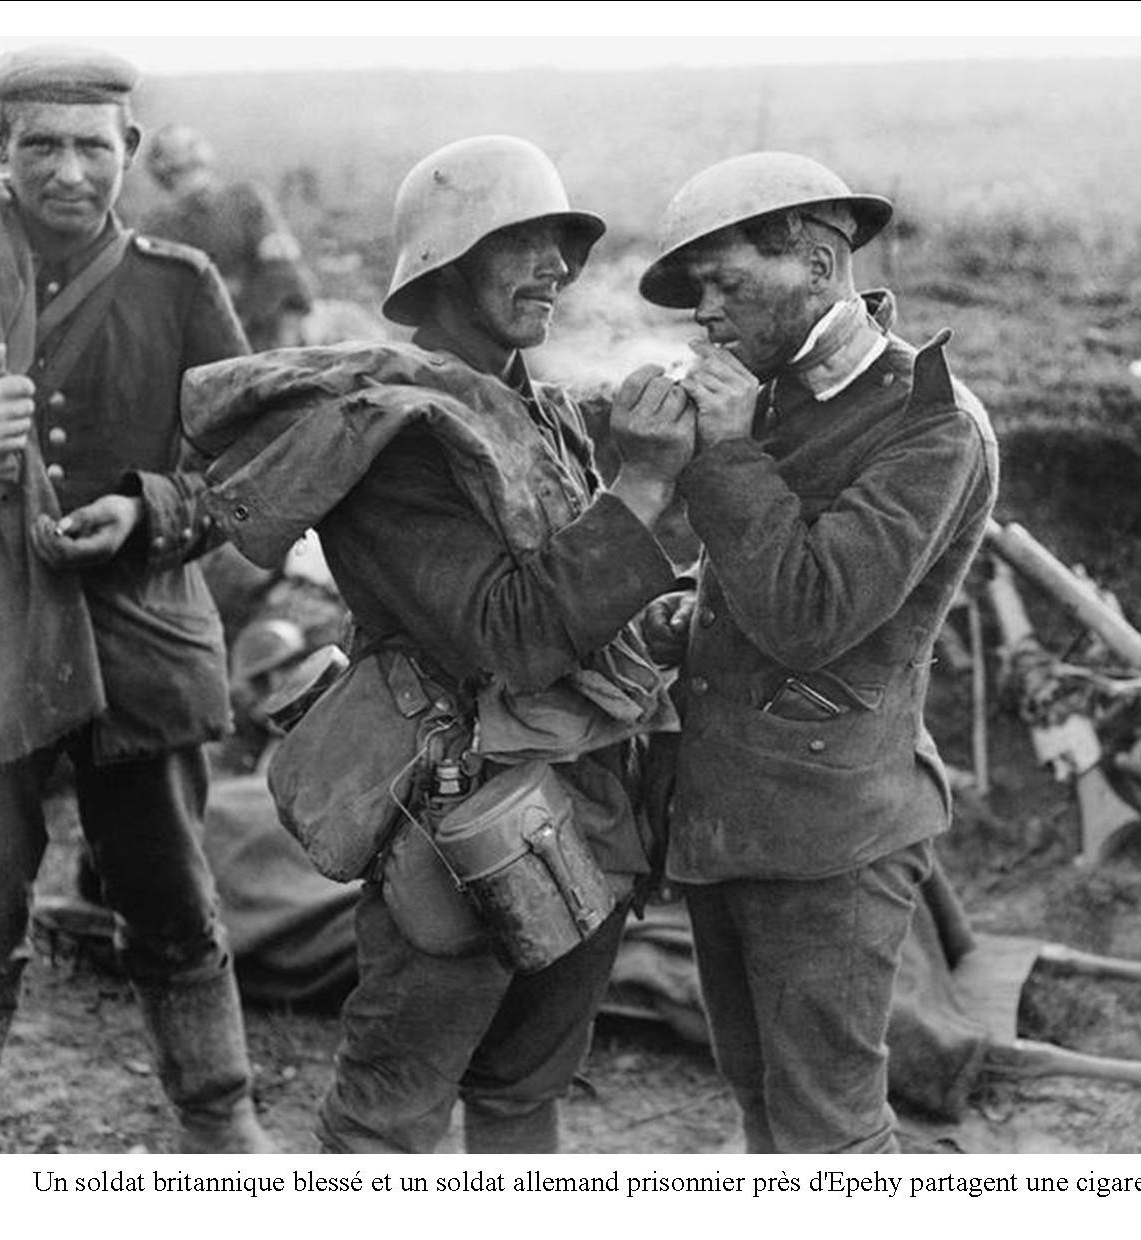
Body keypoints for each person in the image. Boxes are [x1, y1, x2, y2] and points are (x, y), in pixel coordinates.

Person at [182, 135, 696, 1154]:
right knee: (388, 1120)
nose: (555, 265)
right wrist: (639, 489)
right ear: (445, 260)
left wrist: (662, 619)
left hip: (585, 809)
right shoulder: (396, 433)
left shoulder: (534, 409)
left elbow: (577, 603)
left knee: (524, 1088)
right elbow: (509, 634)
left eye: (561, 243)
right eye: (522, 241)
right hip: (460, 821)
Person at [637, 152, 999, 1153]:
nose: (704, 312)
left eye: (725, 281)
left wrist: (718, 449)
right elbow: (762, 584)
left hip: (829, 836)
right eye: (696, 289)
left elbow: (810, 611)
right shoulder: (778, 391)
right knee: (759, 1094)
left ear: (816, 258)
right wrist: (686, 616)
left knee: (828, 1132)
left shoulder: (928, 424)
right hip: (731, 817)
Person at [0, 45, 273, 1153]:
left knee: (167, 894)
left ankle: (219, 1119)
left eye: (91, 147)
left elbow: (250, 472)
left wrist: (151, 513)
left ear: (133, 152)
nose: (67, 171)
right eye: (39, 144)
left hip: (138, 635)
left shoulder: (178, 285)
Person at [141, 124, 316, 350]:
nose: (195, 146)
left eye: (196, 139)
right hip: (201, 323)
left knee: (285, 272)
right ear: (161, 164)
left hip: (257, 314)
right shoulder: (157, 224)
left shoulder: (244, 197)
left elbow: (280, 254)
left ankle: (288, 356)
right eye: (183, 143)